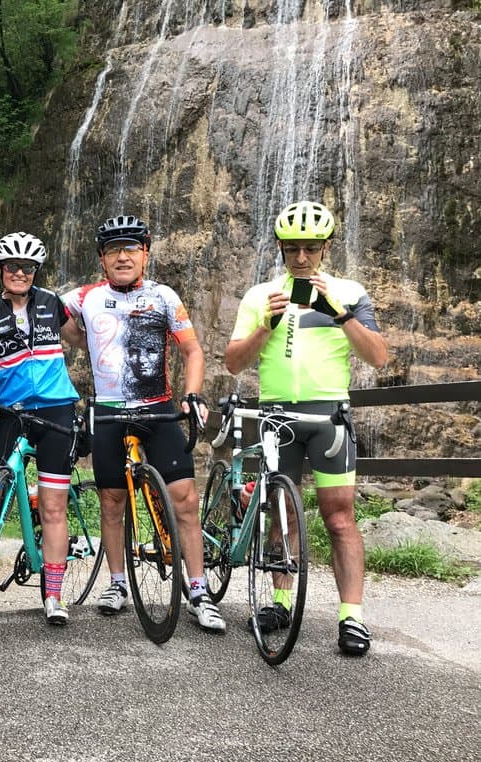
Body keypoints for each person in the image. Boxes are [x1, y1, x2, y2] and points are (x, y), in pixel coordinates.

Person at [225, 200, 388, 656]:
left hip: (328, 416)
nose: (301, 257)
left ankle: (351, 616)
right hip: (277, 415)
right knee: (282, 512)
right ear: (280, 248)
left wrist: (340, 314)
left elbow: (378, 356)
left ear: (325, 248)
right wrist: (265, 327)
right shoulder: (260, 295)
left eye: (310, 249)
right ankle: (279, 602)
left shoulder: (349, 291)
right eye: (292, 248)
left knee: (339, 518)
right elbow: (234, 362)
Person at [60, 214, 226, 633]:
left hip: (157, 408)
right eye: (114, 249)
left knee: (185, 500)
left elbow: (193, 351)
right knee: (112, 503)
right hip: (110, 412)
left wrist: (192, 395)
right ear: (101, 258)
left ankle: (199, 589)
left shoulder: (165, 296)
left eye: (131, 248)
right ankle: (117, 582)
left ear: (145, 254)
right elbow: (39, 306)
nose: (122, 256)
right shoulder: (86, 296)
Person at [0, 232, 80, 625]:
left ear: (36, 271)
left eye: (27, 268)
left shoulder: (52, 303)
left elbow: (81, 340)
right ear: (1, 270)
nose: (19, 273)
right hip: (12, 413)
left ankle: (53, 594)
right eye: (12, 266)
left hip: (57, 412)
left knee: (52, 506)